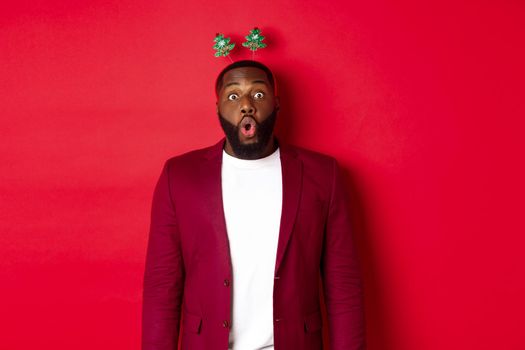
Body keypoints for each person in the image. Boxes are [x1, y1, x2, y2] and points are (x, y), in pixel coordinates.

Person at [142, 60, 366, 350]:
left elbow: (343, 285)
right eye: (233, 96)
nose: (246, 105)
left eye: (258, 94)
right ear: (218, 107)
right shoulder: (179, 176)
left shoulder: (324, 175)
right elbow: (163, 286)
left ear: (277, 103)